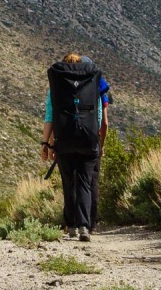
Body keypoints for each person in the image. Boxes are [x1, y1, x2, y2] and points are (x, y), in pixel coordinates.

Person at [41, 53, 103, 242]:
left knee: (69, 183)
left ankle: (72, 226)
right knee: (85, 182)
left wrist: (47, 143)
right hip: (88, 140)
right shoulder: (91, 83)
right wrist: (94, 138)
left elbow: (50, 117)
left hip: (64, 140)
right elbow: (98, 115)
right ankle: (85, 225)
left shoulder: (57, 86)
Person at [81, 55, 111, 233]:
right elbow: (105, 123)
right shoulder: (99, 84)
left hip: (71, 137)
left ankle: (75, 222)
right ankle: (90, 225)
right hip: (93, 140)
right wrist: (102, 145)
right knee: (92, 181)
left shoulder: (69, 84)